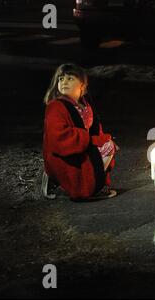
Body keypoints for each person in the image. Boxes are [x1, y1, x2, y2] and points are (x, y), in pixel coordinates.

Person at [42, 63, 118, 200]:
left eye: (70, 78)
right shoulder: (55, 107)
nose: (64, 82)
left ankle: (95, 183)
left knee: (109, 145)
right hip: (65, 153)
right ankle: (86, 187)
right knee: (103, 149)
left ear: (82, 84)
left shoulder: (85, 104)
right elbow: (58, 138)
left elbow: (94, 128)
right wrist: (91, 141)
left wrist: (101, 139)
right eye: (61, 79)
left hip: (80, 147)